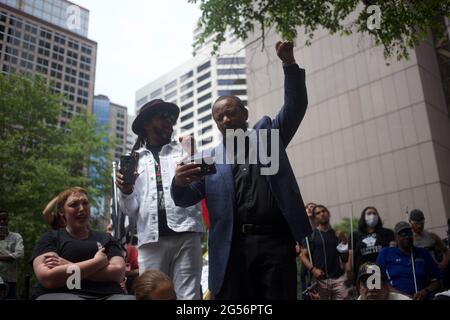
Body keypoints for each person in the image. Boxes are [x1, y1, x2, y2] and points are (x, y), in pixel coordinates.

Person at [171, 41, 311, 299]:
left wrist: (289, 64)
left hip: (275, 243)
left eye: (230, 113)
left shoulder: (269, 138)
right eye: (219, 118)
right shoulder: (208, 158)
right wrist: (178, 182)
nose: (225, 120)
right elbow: (184, 198)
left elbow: (296, 106)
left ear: (244, 113)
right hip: (232, 248)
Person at [116, 99, 204, 300]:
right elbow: (130, 211)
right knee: (151, 295)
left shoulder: (184, 150)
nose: (169, 121)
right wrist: (126, 191)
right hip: (150, 238)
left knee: (189, 296)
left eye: (171, 118)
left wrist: (192, 154)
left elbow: (199, 186)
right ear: (146, 124)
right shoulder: (134, 160)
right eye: (162, 117)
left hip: (187, 232)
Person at [31, 187, 134, 300]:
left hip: (108, 295)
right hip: (65, 294)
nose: (81, 208)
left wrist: (68, 266)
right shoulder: (50, 238)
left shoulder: (107, 238)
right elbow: (48, 278)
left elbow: (118, 273)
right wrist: (97, 262)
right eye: (74, 204)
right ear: (61, 211)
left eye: (85, 203)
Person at [376, 221, 442, 300]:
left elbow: (437, 281)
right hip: (395, 297)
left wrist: (425, 291)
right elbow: (377, 280)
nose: (407, 236)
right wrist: (403, 296)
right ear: (396, 237)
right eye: (402, 234)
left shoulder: (423, 253)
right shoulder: (386, 253)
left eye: (408, 233)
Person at [300, 205, 350, 300]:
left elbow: (345, 258)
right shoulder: (310, 236)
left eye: (324, 211)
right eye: (318, 213)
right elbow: (302, 255)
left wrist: (344, 241)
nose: (322, 214)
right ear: (314, 218)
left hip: (338, 279)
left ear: (328, 213)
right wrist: (313, 270)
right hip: (320, 281)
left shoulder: (337, 234)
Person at [348, 206, 396, 284]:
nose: (372, 216)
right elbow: (350, 257)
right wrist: (350, 273)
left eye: (374, 213)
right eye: (369, 213)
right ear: (363, 217)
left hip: (384, 274)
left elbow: (393, 253)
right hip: (364, 274)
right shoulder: (354, 235)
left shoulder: (388, 233)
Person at [0, 210, 24, 299]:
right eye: (0, 219)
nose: (2, 221)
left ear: (8, 220)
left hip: (10, 278)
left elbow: (20, 254)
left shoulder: (16, 237)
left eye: (4, 219)